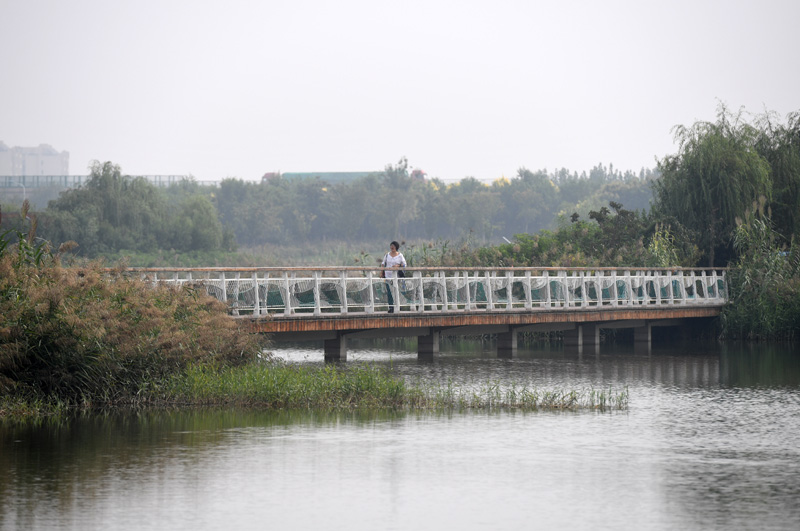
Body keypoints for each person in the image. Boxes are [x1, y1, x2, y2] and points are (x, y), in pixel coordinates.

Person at [381, 241, 406, 313]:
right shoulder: (387, 255)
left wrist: (397, 266)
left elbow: (404, 264)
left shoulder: (400, 255)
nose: (392, 247)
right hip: (388, 276)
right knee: (389, 292)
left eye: (394, 246)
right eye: (391, 246)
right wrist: (381, 273)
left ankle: (398, 306)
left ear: (396, 247)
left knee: (397, 292)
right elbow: (383, 264)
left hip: (397, 277)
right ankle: (391, 307)